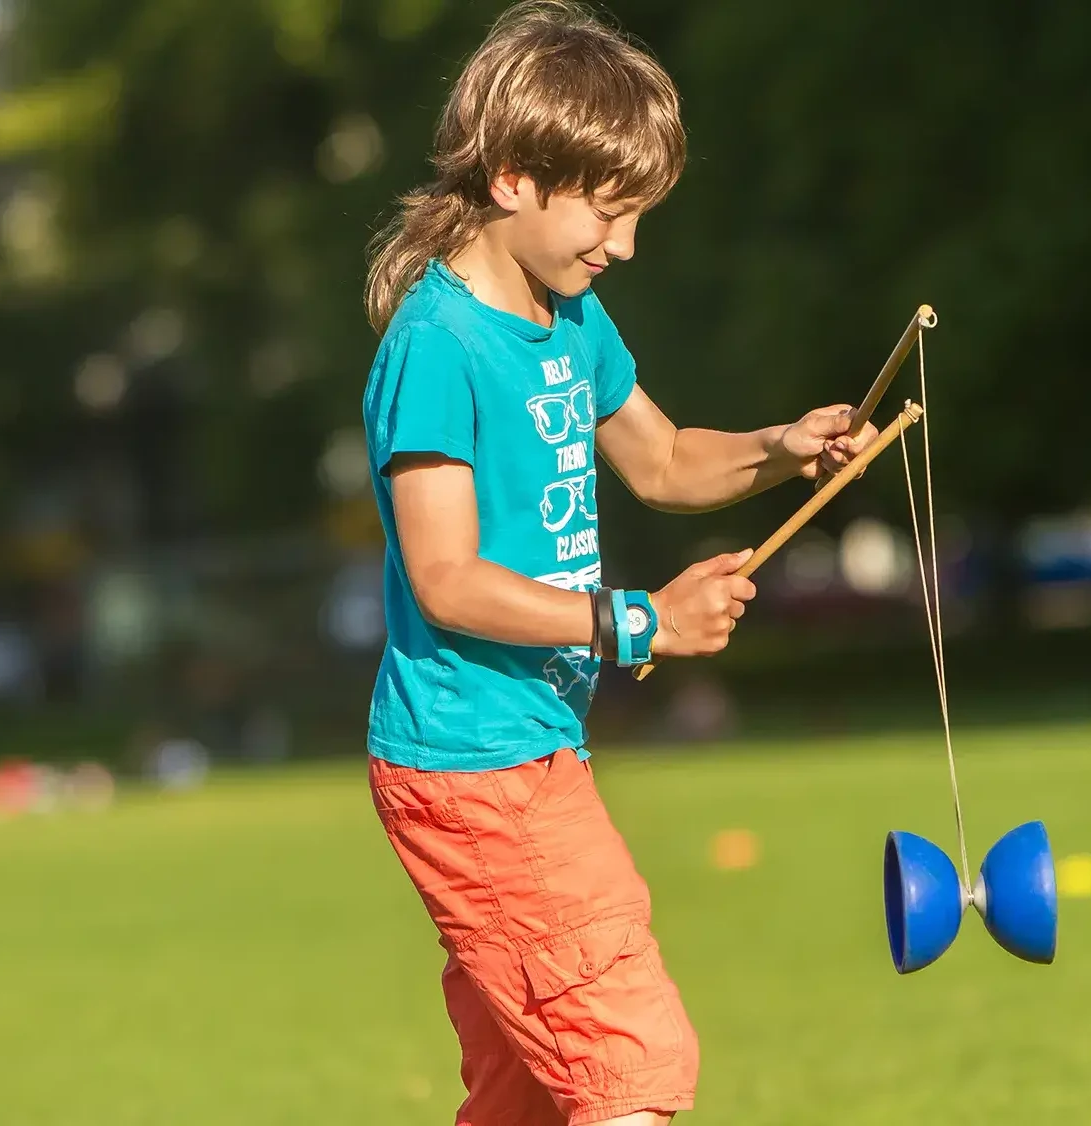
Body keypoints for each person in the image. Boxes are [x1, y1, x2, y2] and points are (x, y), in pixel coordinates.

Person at [357, 4, 879, 1124]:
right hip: (472, 766)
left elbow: (664, 460)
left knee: (532, 1096)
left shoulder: (572, 316)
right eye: (608, 210)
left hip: (529, 750)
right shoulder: (437, 348)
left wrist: (784, 449)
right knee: (630, 1060)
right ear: (512, 177)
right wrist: (635, 624)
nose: (625, 244)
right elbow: (444, 578)